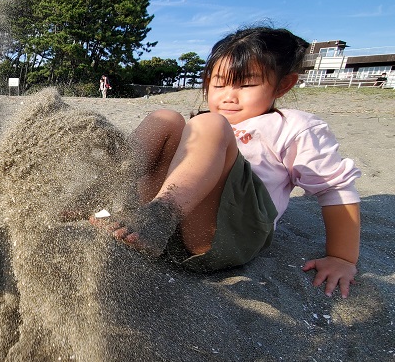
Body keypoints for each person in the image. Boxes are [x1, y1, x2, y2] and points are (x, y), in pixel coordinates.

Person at [89, 26, 361, 298]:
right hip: (159, 235)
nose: (229, 95)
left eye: (247, 85)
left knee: (210, 124)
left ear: (283, 84)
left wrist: (342, 258)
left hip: (222, 238)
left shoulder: (293, 126)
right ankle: (99, 197)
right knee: (166, 118)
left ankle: (160, 214)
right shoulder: (207, 123)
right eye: (218, 83)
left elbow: (333, 188)